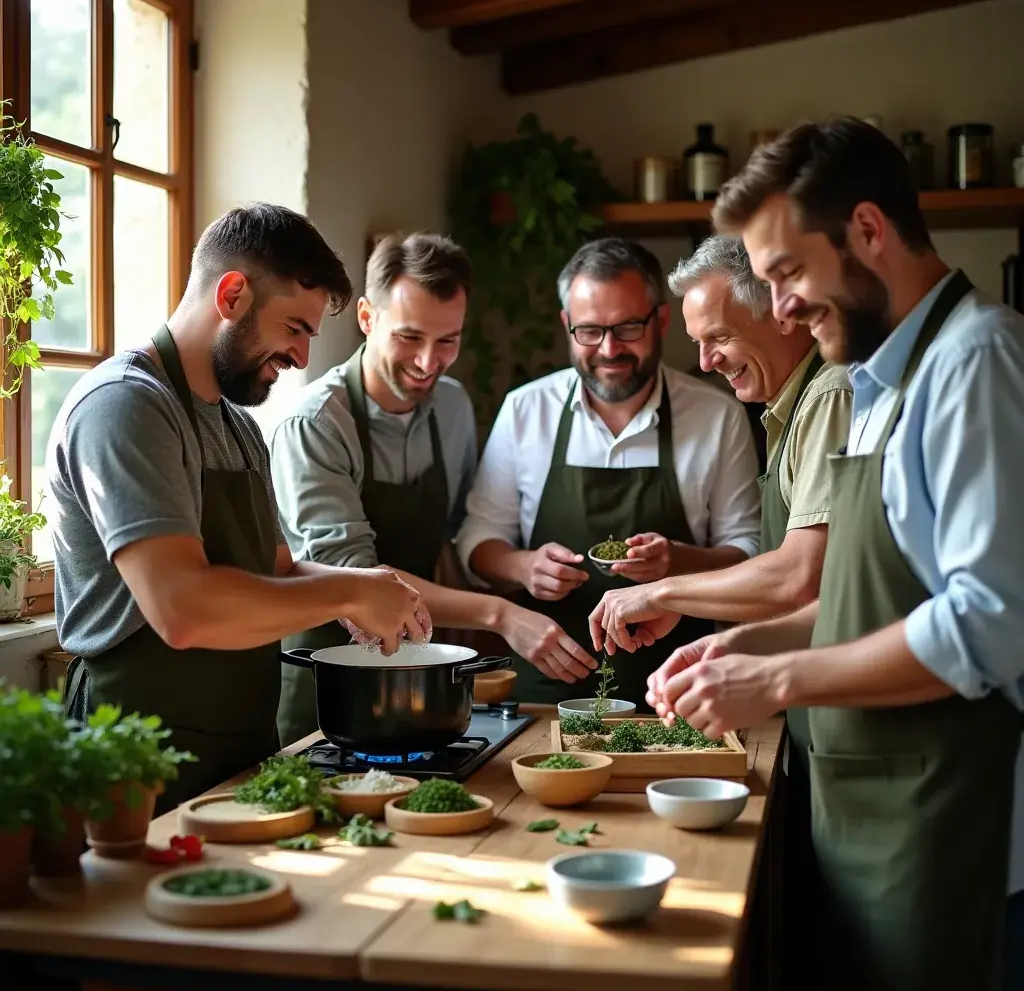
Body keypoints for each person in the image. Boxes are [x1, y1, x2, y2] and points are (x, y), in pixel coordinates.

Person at [647, 118, 1024, 990]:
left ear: (867, 231)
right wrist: (749, 645)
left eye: (787, 274)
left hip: (952, 830)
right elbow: (877, 599)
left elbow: (988, 626)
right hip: (875, 815)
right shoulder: (884, 381)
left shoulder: (976, 361)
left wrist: (778, 681)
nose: (778, 306)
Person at [48, 204, 429, 812]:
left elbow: (276, 572)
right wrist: (347, 596)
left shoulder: (240, 427)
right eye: (295, 328)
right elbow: (181, 608)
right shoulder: (125, 406)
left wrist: (365, 583)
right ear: (231, 294)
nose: (303, 357)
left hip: (241, 757)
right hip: (137, 762)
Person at [271, 233, 593, 746]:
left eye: (448, 341)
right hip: (329, 682)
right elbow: (356, 578)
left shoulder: (453, 406)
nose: (428, 362)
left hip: (418, 672)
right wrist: (500, 616)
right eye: (409, 337)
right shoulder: (314, 423)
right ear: (366, 318)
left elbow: (449, 540)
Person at [456, 237, 761, 707]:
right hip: (544, 696)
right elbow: (477, 541)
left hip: (679, 692)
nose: (609, 349)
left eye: (628, 328)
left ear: (661, 320)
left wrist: (678, 560)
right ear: (566, 325)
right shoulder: (525, 411)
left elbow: (751, 553)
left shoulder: (715, 415)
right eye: (590, 331)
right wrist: (524, 566)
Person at [588, 234, 851, 652]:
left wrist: (662, 592)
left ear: (782, 314)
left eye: (720, 337)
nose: (707, 362)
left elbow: (800, 576)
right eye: (699, 343)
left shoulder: (829, 395)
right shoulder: (789, 403)